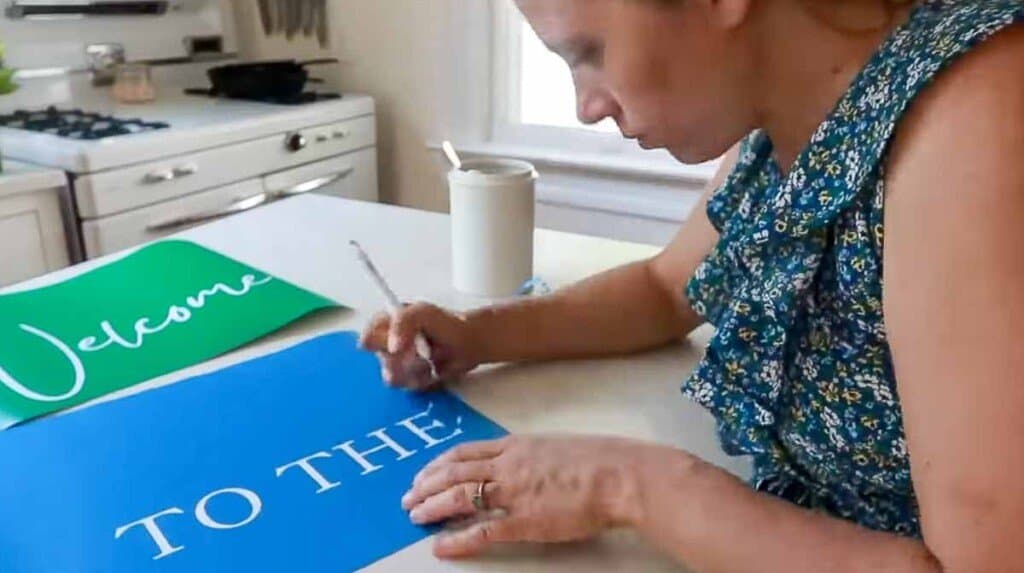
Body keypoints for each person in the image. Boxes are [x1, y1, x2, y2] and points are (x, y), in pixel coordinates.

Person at [360, 0, 1024, 569]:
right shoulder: (792, 114)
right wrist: (478, 333)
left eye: (588, 52)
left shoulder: (977, 113)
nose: (586, 106)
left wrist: (627, 485)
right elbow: (663, 288)